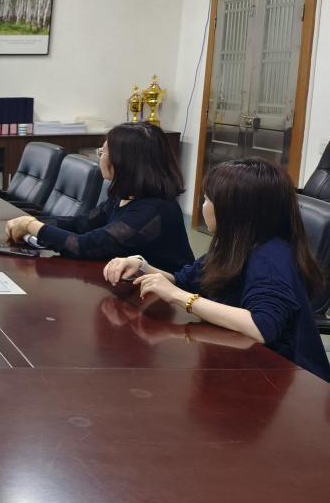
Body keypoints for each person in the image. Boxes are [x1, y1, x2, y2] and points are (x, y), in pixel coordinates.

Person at [104, 157, 328, 382]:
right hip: (244, 364)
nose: (203, 206)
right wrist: (142, 266)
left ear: (233, 209)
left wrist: (181, 298)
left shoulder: (271, 257)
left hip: (290, 379)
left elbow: (262, 326)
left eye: (207, 199)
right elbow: (182, 280)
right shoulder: (235, 245)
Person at [5, 122, 194, 272]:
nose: (100, 157)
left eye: (103, 153)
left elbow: (83, 246)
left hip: (167, 301)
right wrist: (31, 221)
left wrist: (31, 226)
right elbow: (81, 223)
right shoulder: (126, 195)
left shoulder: (153, 211)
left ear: (123, 162)